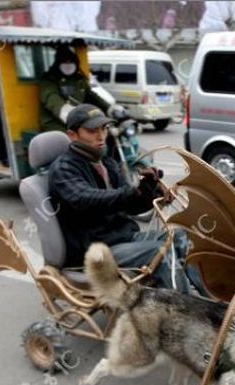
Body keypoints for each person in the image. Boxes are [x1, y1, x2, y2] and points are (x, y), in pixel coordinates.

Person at [48, 104, 203, 294]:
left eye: (103, 129)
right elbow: (85, 199)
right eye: (92, 131)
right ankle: (185, 313)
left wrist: (149, 192)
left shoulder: (106, 162)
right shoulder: (63, 169)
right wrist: (132, 192)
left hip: (123, 237)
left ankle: (213, 302)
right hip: (96, 249)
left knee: (184, 237)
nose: (101, 136)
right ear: (72, 135)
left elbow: (128, 207)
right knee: (161, 253)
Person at [39, 45, 111, 132]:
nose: (68, 66)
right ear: (58, 63)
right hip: (55, 122)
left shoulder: (79, 79)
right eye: (65, 62)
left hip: (80, 119)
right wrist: (65, 112)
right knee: (70, 139)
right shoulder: (50, 79)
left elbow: (91, 96)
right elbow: (51, 97)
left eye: (71, 62)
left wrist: (109, 108)